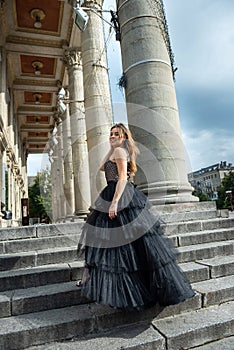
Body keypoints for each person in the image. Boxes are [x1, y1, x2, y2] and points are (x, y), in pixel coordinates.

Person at [76, 123, 195, 310]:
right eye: (111, 134)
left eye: (116, 134)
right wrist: (111, 147)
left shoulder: (121, 153)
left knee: (126, 243)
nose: (112, 136)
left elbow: (122, 178)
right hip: (111, 193)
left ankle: (134, 286)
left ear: (124, 137)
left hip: (120, 195)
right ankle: (91, 276)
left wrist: (115, 202)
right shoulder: (116, 152)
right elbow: (102, 168)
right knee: (103, 239)